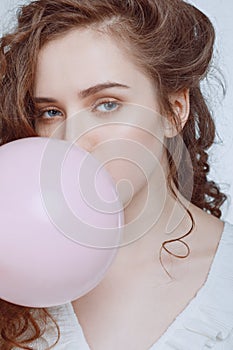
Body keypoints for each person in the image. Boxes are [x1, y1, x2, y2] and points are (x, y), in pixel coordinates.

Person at [0, 0, 232, 349]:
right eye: (50, 112)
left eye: (107, 103)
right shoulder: (13, 271)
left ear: (174, 111)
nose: (72, 139)